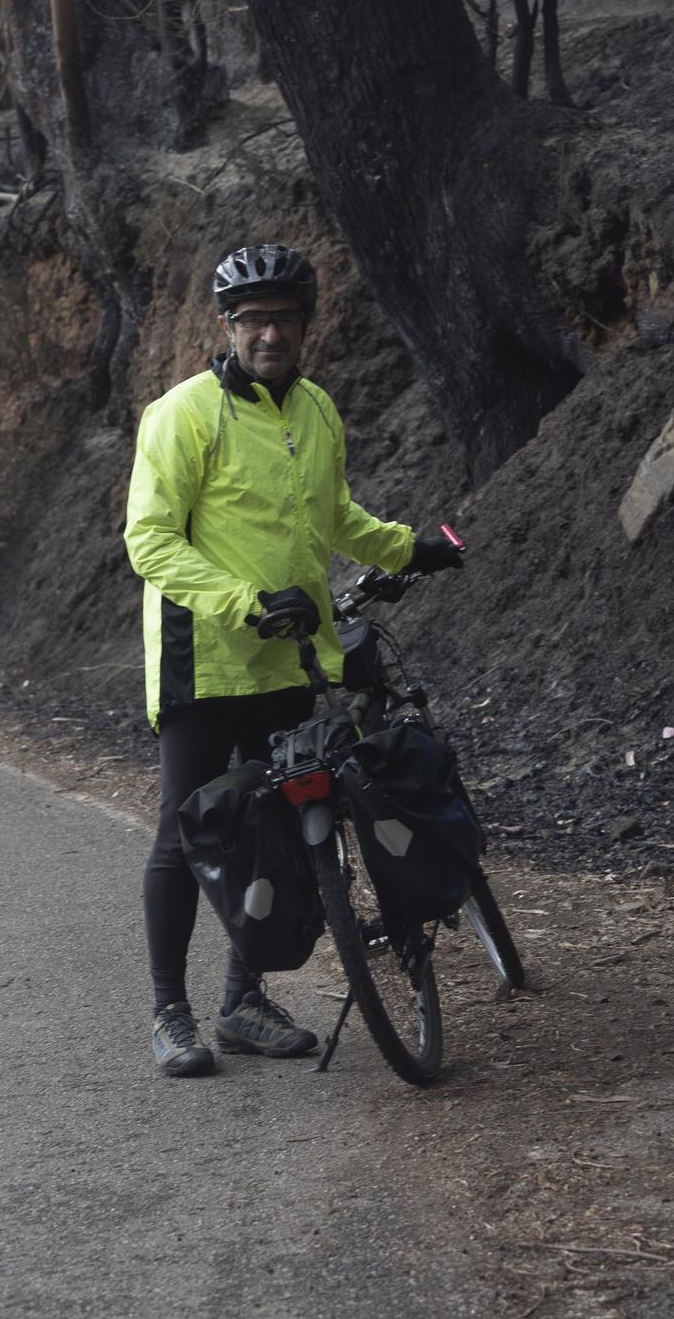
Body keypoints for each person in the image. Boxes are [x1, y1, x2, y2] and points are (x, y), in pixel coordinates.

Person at [124, 241, 462, 1078]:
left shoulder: (314, 409)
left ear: (307, 325)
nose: (268, 334)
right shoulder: (182, 414)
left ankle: (242, 1003)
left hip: (289, 664)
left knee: (272, 834)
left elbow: (331, 515)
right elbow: (151, 541)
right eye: (252, 320)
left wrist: (405, 549)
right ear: (227, 327)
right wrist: (247, 601)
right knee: (184, 832)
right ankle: (169, 1011)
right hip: (203, 662)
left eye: (283, 319)